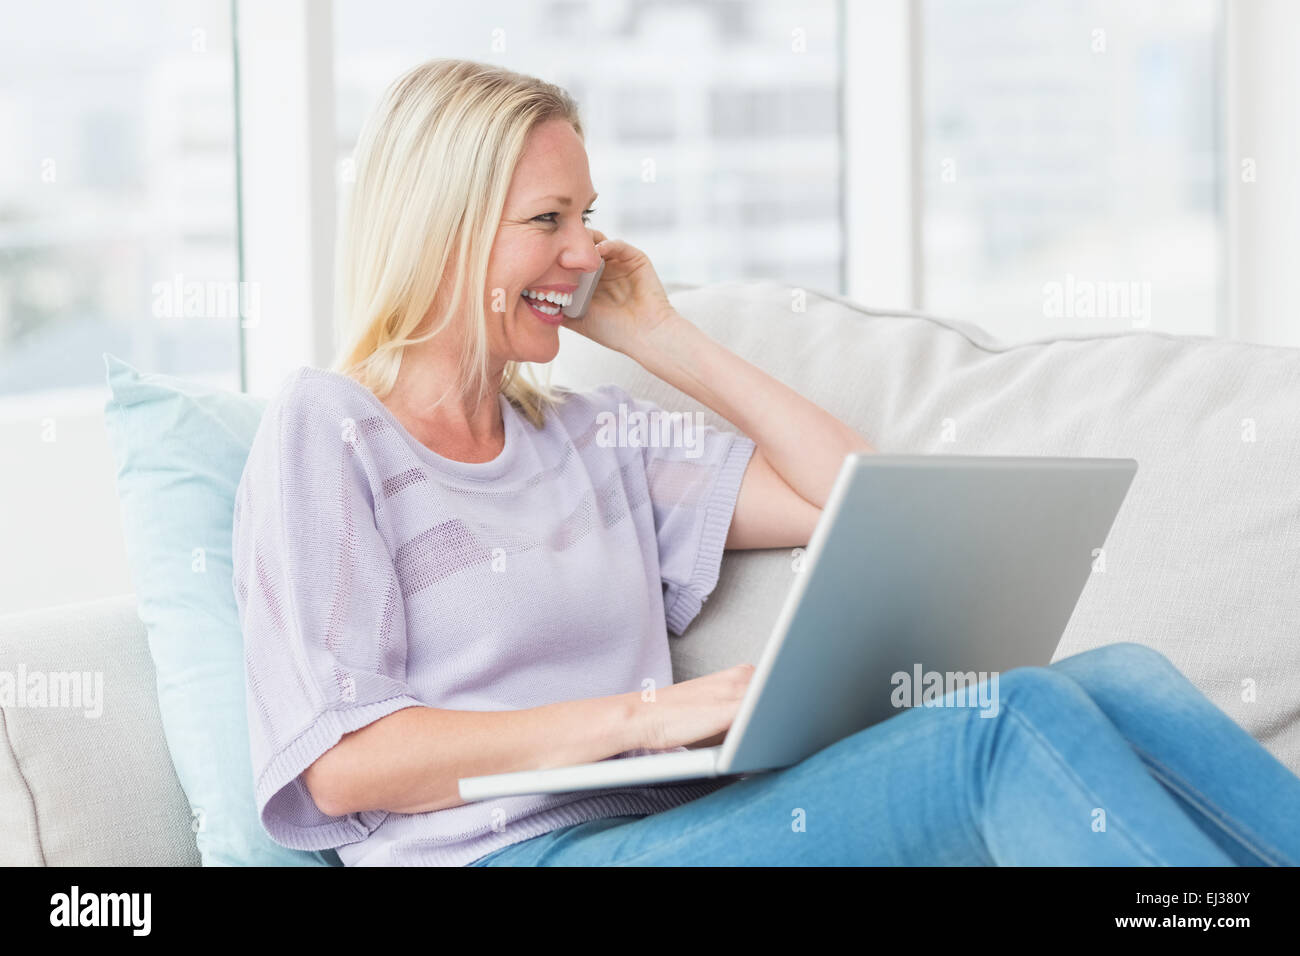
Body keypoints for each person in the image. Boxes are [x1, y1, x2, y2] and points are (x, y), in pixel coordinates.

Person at [230, 58, 1300, 867]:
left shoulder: (594, 438)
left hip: (680, 824)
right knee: (1003, 721)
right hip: (511, 854)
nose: (585, 250)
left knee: (1113, 679)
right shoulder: (331, 429)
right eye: (547, 220)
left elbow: (869, 504)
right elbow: (345, 760)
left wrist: (666, 341)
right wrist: (641, 718)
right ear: (443, 233)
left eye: (588, 217)